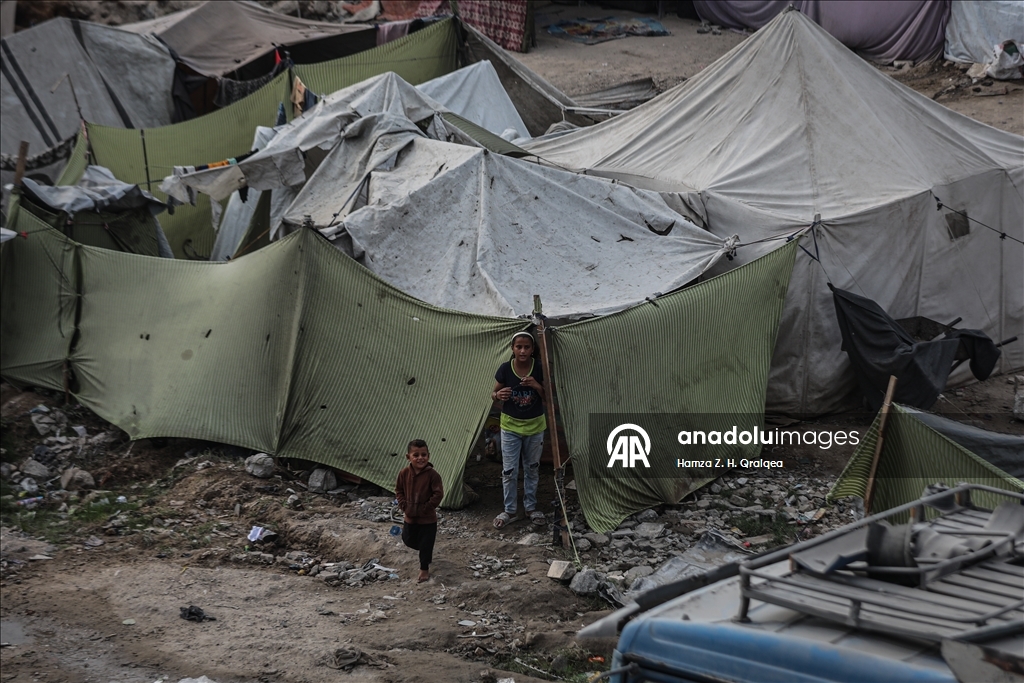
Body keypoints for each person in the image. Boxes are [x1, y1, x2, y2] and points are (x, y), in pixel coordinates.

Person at [491, 331, 547, 529]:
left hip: (535, 426)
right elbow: (494, 393)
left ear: (533, 350)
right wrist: (499, 394)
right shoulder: (506, 369)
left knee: (532, 468)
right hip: (510, 426)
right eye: (519, 347)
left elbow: (548, 396)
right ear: (512, 349)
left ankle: (531, 508)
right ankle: (510, 510)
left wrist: (536, 385)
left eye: (527, 347)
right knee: (509, 470)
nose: (522, 351)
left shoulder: (539, 367)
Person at [395, 439, 444, 583]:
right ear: (408, 457)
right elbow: (399, 490)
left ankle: (424, 569)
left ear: (428, 456)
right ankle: (422, 550)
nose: (420, 458)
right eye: (416, 455)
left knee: (426, 544)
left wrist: (426, 508)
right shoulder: (404, 473)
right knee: (408, 539)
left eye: (424, 455)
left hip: (427, 519)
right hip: (410, 516)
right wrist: (403, 505)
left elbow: (438, 494)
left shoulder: (433, 475)